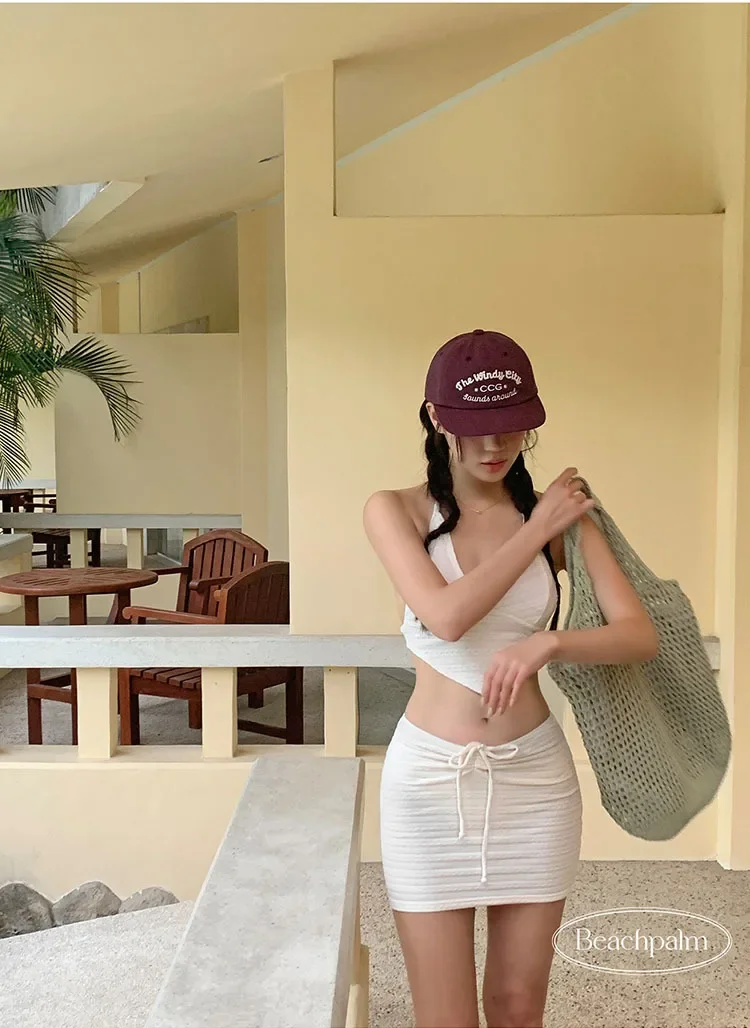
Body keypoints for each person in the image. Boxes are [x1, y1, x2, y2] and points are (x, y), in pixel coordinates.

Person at [363, 329, 659, 1028]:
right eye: (475, 427)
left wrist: (548, 643)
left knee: (520, 1007)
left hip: (536, 783)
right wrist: (537, 527)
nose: (495, 445)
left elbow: (638, 635)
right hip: (428, 786)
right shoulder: (395, 509)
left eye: (511, 425)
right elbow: (446, 617)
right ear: (436, 419)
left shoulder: (562, 517)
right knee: (446, 1018)